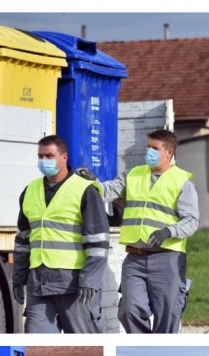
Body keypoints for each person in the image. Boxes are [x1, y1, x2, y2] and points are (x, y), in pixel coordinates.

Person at [83, 129, 199, 333]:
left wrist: (168, 232)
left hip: (167, 258)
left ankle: (160, 353)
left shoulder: (182, 182)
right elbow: (107, 191)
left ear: (169, 153)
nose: (149, 152)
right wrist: (91, 183)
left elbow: (191, 220)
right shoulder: (134, 174)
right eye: (148, 147)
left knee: (167, 316)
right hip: (135, 258)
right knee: (129, 311)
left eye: (155, 148)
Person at [13, 135, 109, 333]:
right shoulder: (30, 190)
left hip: (74, 284)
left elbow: (98, 243)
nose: (44, 161)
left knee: (82, 338)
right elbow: (23, 239)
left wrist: (90, 280)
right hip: (39, 281)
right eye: (40, 156)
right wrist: (18, 277)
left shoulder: (85, 190)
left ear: (63, 157)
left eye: (49, 155)